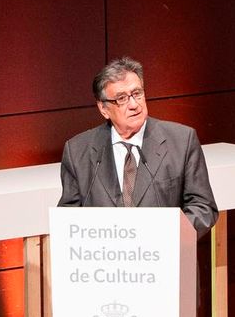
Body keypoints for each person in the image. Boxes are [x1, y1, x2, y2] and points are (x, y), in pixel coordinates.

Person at [58, 57, 218, 236]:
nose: (134, 105)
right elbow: (68, 219)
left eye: (137, 93)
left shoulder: (181, 140)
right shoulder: (78, 151)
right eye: (122, 98)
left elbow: (203, 208)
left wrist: (166, 234)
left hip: (164, 257)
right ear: (103, 109)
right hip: (105, 259)